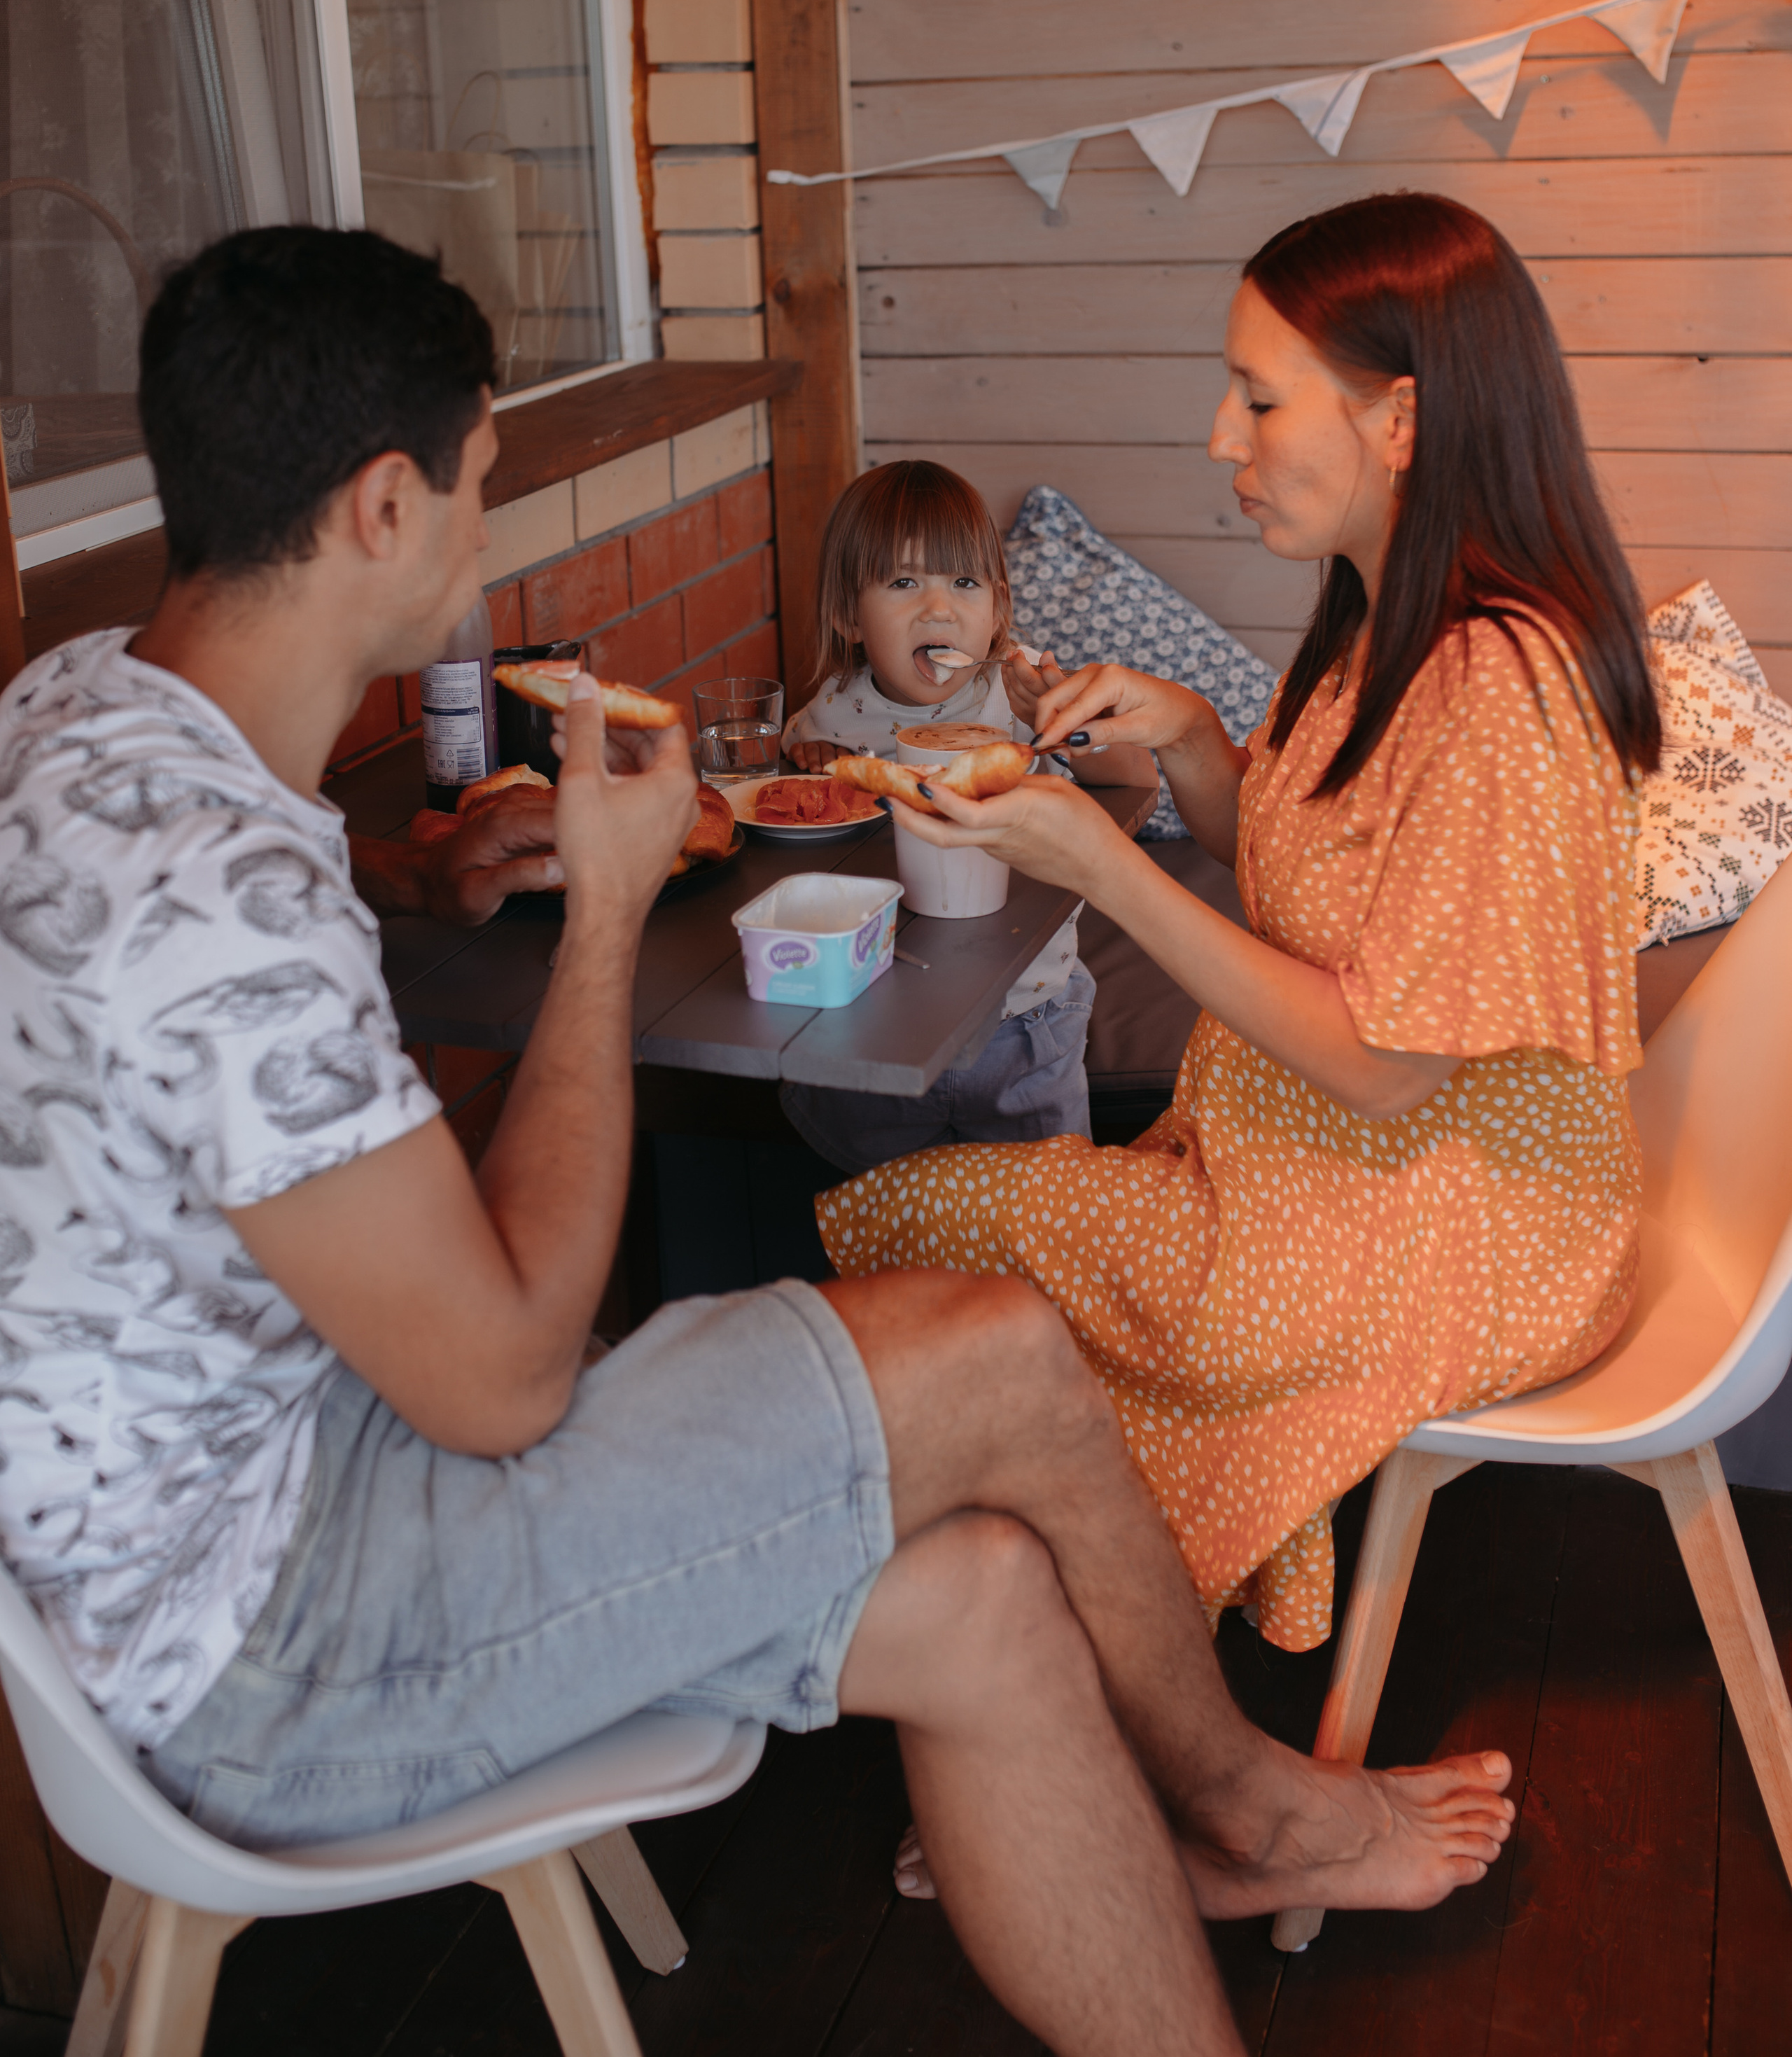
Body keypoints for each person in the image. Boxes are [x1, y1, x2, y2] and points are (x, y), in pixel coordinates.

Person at [0, 225, 1516, 2057]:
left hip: (233, 1533)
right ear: (384, 508)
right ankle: (1256, 1803)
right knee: (1006, 1348)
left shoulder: (81, 713)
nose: (489, 536)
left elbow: (194, 992)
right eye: (483, 488)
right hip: (282, 1643)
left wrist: (399, 866)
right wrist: (619, 911)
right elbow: (500, 1378)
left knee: (981, 1599)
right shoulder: (224, 894)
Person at [820, 193, 1660, 1671]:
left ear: (1398, 420)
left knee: (918, 1227)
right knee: (963, 1245)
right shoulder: (1383, 616)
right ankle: (1069, 1676)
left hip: (1458, 1228)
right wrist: (1199, 744)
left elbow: (1387, 1064)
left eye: (1258, 397)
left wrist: (1097, 857)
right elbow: (1315, 876)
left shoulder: (1500, 689)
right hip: (1348, 1177)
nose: (1223, 438)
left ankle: (1036, 1683)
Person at [780, 460, 1138, 1167]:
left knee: (1048, 1231)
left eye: (963, 584)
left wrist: (1060, 721)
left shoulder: (1018, 691)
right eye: (904, 582)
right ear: (848, 614)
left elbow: (1131, 780)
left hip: (1026, 1017)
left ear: (998, 609)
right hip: (876, 1025)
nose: (938, 609)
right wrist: (805, 762)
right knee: (890, 1228)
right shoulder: (828, 715)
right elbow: (791, 812)